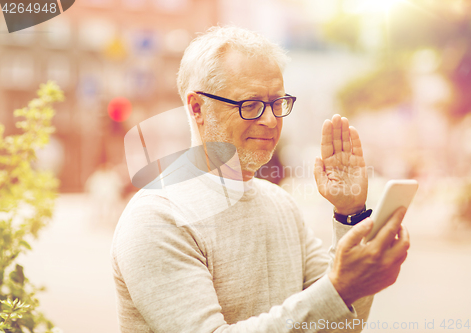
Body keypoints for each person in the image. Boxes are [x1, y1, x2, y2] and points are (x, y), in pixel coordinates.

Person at [110, 26, 410, 333]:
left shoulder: (281, 205)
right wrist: (339, 289)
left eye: (277, 103)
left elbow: (338, 325)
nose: (270, 120)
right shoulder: (157, 218)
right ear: (198, 108)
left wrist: (350, 214)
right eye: (250, 105)